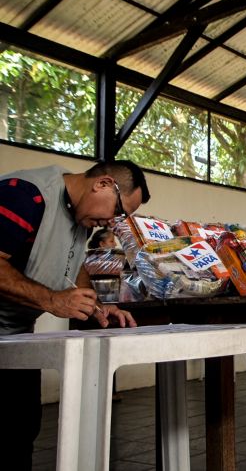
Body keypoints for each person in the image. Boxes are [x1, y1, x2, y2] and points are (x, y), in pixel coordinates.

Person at [0, 160, 149, 470]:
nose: (111, 224)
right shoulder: (26, 196)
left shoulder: (80, 217)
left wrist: (95, 305)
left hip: (17, 340)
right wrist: (51, 299)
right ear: (103, 184)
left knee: (22, 428)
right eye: (118, 212)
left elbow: (72, 272)